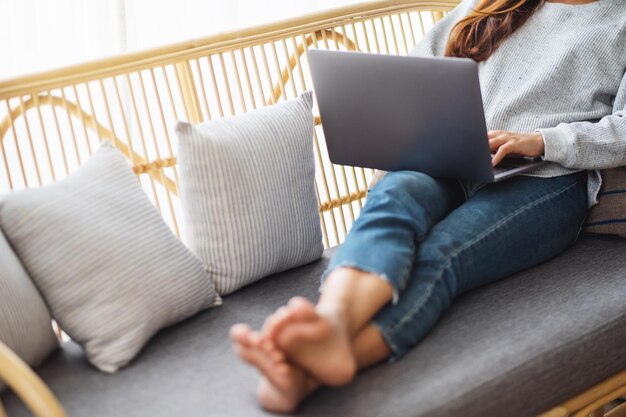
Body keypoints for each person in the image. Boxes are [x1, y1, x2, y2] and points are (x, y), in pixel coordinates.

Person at [230, 0, 626, 412]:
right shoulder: (492, 5)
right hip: (453, 158)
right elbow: (417, 77)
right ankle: (330, 322)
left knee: (443, 251)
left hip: (547, 175)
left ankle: (315, 371)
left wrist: (541, 140)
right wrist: (404, 138)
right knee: (393, 200)